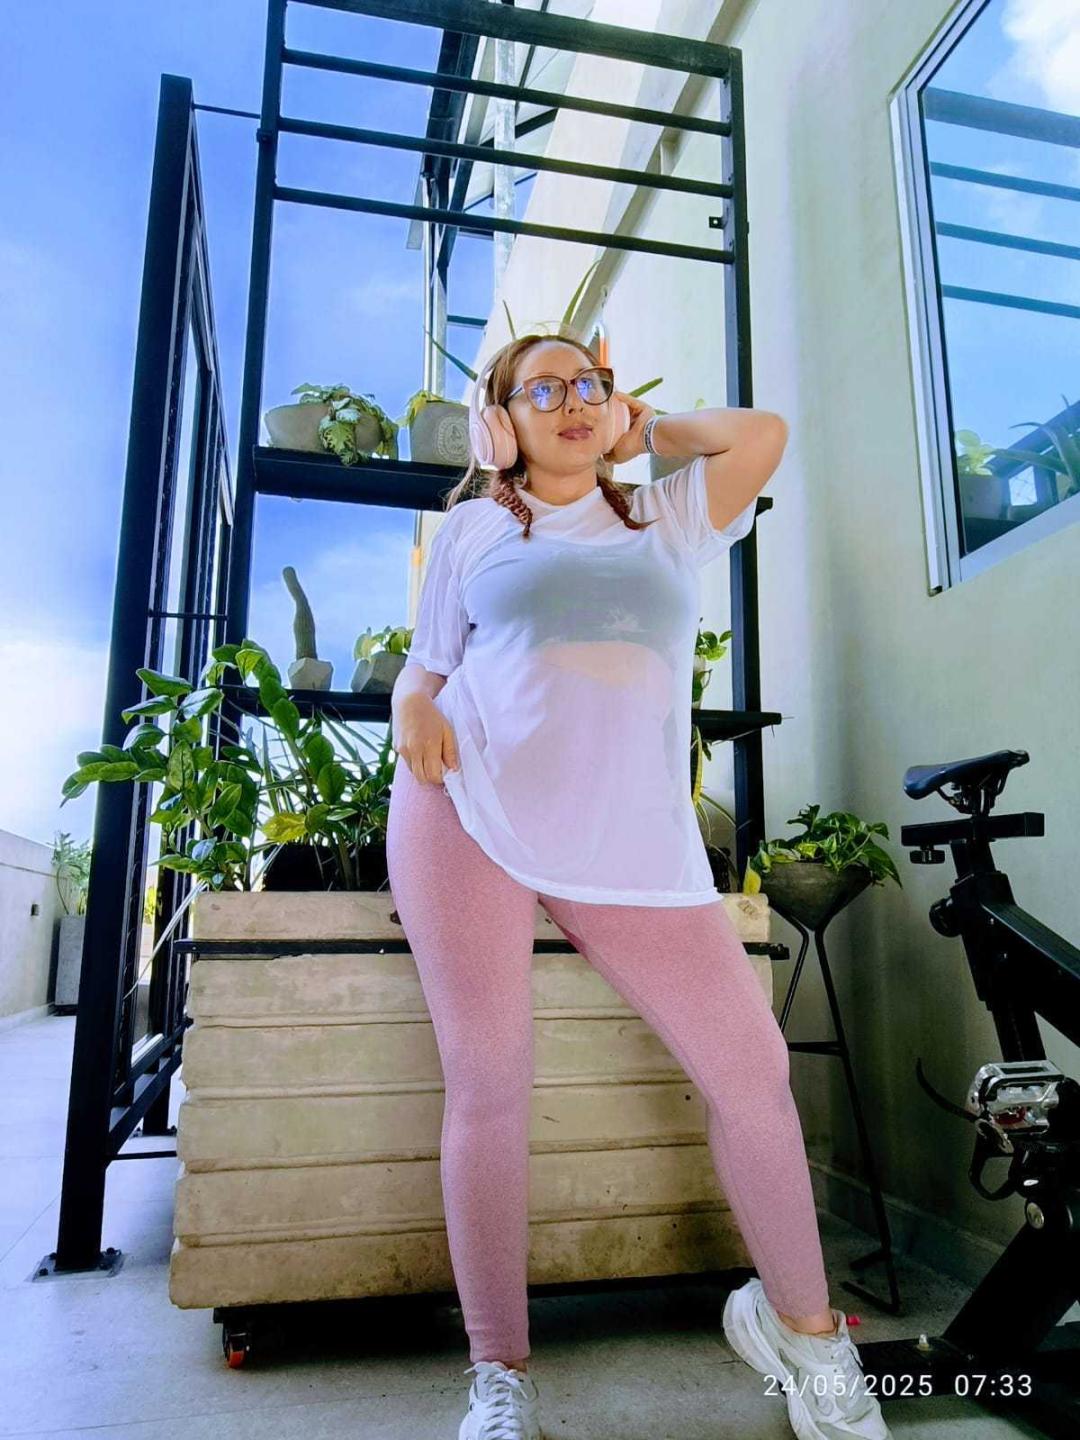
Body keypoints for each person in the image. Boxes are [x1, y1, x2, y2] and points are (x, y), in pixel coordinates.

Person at [387, 332, 891, 1440]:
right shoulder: (473, 529)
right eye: (544, 389)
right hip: (465, 808)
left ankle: (807, 1336)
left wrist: (644, 431)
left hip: (630, 841)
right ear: (499, 422)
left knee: (751, 1072)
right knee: (489, 1080)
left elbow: (762, 435)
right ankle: (499, 1375)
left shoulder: (667, 515)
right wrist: (412, 705)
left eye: (591, 384)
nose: (574, 400)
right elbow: (429, 665)